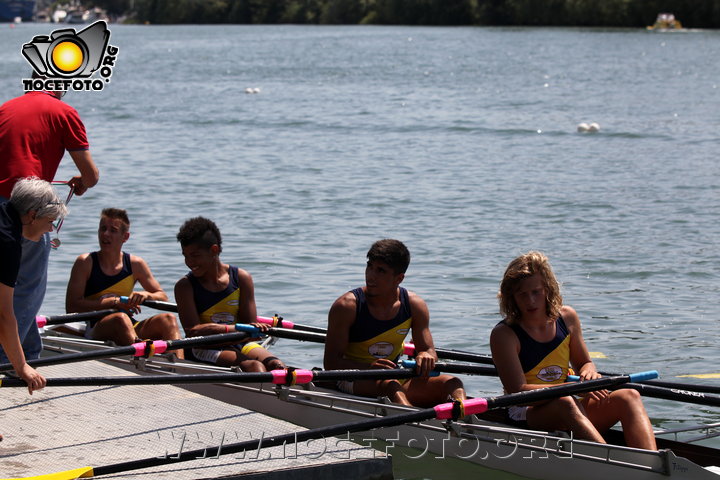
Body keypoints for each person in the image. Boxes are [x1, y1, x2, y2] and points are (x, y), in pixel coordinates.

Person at [490, 251, 656, 450]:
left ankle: (650, 464)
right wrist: (569, 390)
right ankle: (613, 463)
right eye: (522, 294)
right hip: (526, 411)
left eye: (536, 292)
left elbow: (584, 362)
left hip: (566, 401)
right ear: (512, 297)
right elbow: (518, 390)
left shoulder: (567, 317)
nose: (531, 301)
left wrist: (588, 372)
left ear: (548, 289)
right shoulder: (504, 334)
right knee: (565, 402)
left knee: (629, 396)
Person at [0, 80, 100, 362]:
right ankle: (7, 359)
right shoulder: (63, 112)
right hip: (25, 209)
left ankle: (29, 352)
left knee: (14, 285)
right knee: (27, 286)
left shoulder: (6, 108)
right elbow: (91, 175)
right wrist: (82, 183)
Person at [324, 239, 466, 407]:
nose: (371, 275)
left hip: (394, 376)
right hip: (352, 377)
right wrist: (369, 367)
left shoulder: (414, 305)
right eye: (369, 266)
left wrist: (426, 356)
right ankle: (414, 423)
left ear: (399, 278)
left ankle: (464, 423)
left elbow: (428, 350)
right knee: (391, 386)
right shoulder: (346, 306)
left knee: (453, 384)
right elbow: (331, 363)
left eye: (381, 271)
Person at [65, 208, 183, 359]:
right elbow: (72, 307)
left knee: (168, 319)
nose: (105, 234)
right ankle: (143, 361)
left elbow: (162, 296)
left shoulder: (135, 264)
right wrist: (113, 302)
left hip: (129, 325)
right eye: (103, 229)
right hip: (97, 328)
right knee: (120, 318)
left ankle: (179, 365)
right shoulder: (85, 262)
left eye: (113, 230)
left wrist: (144, 295)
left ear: (125, 237)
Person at [174, 217, 284, 372]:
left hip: (239, 342)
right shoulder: (185, 286)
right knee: (255, 367)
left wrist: (234, 331)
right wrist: (234, 330)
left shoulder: (241, 278)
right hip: (203, 347)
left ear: (214, 250)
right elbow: (193, 332)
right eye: (185, 255)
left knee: (278, 366)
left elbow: (251, 331)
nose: (189, 262)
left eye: (195, 255)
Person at [0, 178, 65, 395]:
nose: (49, 230)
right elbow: (3, 315)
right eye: (50, 222)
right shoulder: (7, 243)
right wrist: (21, 367)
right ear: (33, 215)